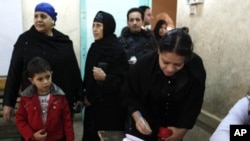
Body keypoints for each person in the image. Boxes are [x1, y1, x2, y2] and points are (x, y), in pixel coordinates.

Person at [3, 2, 82, 122]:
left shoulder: (63, 42)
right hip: (33, 104)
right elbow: (14, 71)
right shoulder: (25, 41)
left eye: (43, 16)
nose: (38, 20)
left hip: (60, 104)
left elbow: (73, 71)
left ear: (53, 20)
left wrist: (80, 96)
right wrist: (8, 103)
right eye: (36, 16)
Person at [122, 28, 206, 141]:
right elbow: (130, 94)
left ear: (186, 59)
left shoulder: (194, 67)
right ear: (158, 51)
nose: (170, 69)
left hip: (173, 131)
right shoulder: (144, 65)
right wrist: (138, 119)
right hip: (143, 128)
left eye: (178, 64)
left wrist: (181, 132)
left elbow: (194, 103)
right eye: (165, 62)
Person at [81, 11, 129, 141]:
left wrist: (106, 78)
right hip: (92, 106)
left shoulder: (117, 50)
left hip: (111, 108)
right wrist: (86, 94)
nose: (95, 29)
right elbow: (88, 75)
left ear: (107, 27)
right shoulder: (94, 47)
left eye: (99, 26)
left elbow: (124, 82)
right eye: (93, 25)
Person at [15, 56, 74, 141]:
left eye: (47, 77)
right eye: (40, 79)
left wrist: (70, 139)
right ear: (32, 80)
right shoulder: (26, 98)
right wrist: (32, 135)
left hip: (56, 138)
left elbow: (67, 120)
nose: (45, 81)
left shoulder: (60, 96)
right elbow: (20, 120)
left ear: (51, 74)